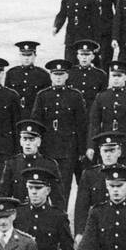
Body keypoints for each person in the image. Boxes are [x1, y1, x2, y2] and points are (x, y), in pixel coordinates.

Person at [32, 59, 89, 204]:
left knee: (63, 186)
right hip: (47, 148)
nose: (58, 77)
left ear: (67, 76)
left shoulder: (75, 96)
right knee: (43, 183)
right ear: (51, 76)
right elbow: (36, 123)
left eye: (61, 74)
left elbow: (82, 124)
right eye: (55, 74)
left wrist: (82, 150)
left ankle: (61, 216)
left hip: (68, 149)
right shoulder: (42, 96)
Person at [0, 120, 61, 204]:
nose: (27, 143)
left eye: (31, 140)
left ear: (39, 142)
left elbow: (58, 199)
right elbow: (2, 194)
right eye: (24, 139)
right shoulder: (12, 164)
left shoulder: (49, 165)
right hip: (19, 214)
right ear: (20, 141)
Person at [55, 0, 104, 64]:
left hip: (86, 38)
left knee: (86, 65)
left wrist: (97, 42)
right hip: (71, 39)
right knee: (69, 65)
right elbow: (62, 14)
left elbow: (96, 21)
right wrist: (56, 26)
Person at [84, 0, 119, 66]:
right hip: (92, 31)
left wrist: (115, 33)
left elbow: (118, 9)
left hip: (107, 30)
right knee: (92, 59)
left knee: (106, 60)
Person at [6, 40, 51, 113]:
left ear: (35, 55)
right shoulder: (11, 73)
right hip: (16, 112)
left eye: (29, 55)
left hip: (35, 113)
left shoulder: (43, 74)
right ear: (20, 55)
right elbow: (7, 97)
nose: (26, 58)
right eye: (23, 55)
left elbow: (47, 99)